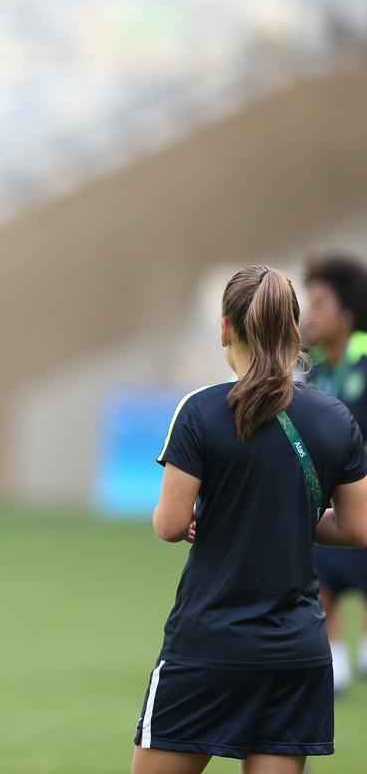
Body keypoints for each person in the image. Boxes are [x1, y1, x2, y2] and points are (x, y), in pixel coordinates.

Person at [131, 264, 367, 774]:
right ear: (292, 327)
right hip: (296, 650)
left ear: (224, 327)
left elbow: (171, 524)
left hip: (209, 642)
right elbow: (356, 528)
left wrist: (207, 513)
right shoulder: (333, 418)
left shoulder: (201, 411)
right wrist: (286, 516)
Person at [302, 253, 367, 693]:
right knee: (320, 571)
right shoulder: (313, 371)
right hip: (331, 501)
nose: (310, 314)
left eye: (319, 303)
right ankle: (336, 658)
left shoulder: (364, 355)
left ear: (346, 311)